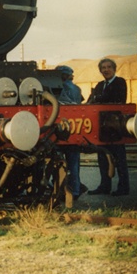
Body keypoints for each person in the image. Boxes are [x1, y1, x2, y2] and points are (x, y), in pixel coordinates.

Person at [87, 58, 130, 196]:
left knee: (119, 158)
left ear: (114, 68)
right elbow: (90, 101)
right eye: (103, 68)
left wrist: (98, 99)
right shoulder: (99, 85)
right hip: (102, 127)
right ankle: (104, 186)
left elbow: (117, 99)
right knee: (102, 158)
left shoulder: (120, 82)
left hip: (116, 127)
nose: (106, 70)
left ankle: (123, 188)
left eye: (109, 67)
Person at [56, 65, 84, 199]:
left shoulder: (60, 87)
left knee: (59, 162)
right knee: (74, 163)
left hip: (60, 129)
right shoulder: (77, 89)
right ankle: (76, 189)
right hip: (74, 129)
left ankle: (61, 189)